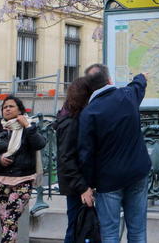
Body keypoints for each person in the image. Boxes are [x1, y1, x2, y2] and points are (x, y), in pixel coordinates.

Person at [78, 64, 151, 243]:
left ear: (90, 88)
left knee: (109, 233)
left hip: (108, 180)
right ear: (109, 80)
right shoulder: (127, 95)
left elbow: (85, 154)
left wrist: (87, 184)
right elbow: (138, 85)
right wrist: (141, 76)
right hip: (137, 173)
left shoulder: (89, 113)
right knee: (138, 230)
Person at [0, 95, 46, 243]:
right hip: (0, 182)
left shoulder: (29, 127)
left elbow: (40, 144)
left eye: (11, 106)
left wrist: (27, 127)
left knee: (9, 220)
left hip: (22, 181)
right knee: (6, 221)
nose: (7, 109)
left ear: (20, 110)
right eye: (5, 107)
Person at [53, 76, 94, 243]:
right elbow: (66, 157)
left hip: (74, 182)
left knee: (77, 226)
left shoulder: (69, 114)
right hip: (77, 184)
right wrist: (83, 188)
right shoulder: (71, 121)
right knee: (77, 228)